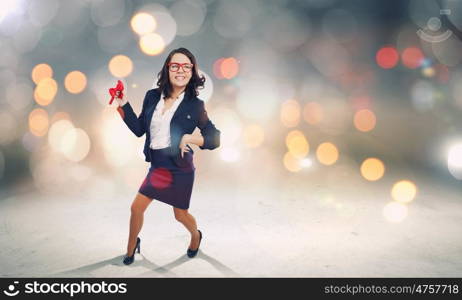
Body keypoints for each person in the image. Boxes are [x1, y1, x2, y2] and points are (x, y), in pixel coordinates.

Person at [113, 47, 221, 265]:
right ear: (168, 69)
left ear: (192, 72)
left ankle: (195, 236)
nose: (180, 70)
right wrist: (123, 103)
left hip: (180, 168)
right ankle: (131, 246)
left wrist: (189, 139)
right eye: (175, 65)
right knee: (136, 208)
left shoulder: (195, 105)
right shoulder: (152, 96)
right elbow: (139, 129)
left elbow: (214, 138)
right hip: (159, 166)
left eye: (186, 66)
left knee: (180, 215)